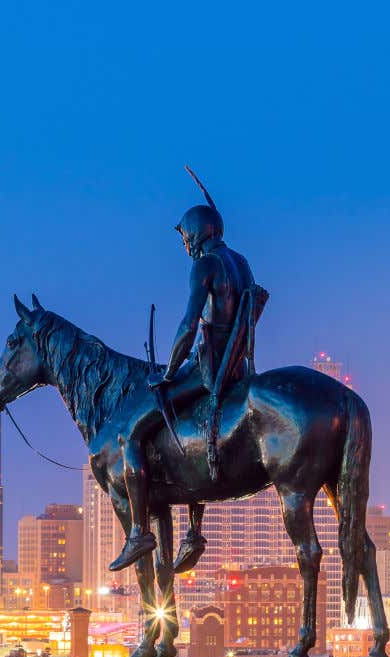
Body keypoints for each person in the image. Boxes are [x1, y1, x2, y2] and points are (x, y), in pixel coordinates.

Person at [108, 169, 267, 572]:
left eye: (184, 238)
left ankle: (140, 531)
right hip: (240, 370)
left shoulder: (205, 267)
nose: (183, 246)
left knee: (135, 432)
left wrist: (169, 370)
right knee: (182, 424)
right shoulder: (241, 263)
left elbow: (189, 325)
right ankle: (193, 532)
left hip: (208, 370)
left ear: (195, 233)